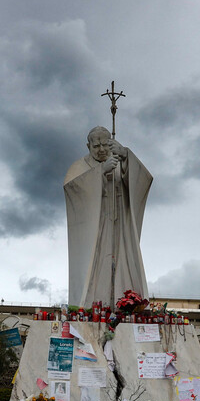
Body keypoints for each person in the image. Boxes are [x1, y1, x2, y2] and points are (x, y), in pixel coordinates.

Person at [64, 126, 153, 307]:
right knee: (97, 265)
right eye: (96, 146)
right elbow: (72, 190)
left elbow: (143, 180)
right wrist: (101, 172)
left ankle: (127, 304)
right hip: (95, 225)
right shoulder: (79, 166)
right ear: (88, 146)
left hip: (120, 224)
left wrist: (127, 157)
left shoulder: (119, 160)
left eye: (105, 144)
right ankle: (94, 306)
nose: (102, 149)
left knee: (124, 262)